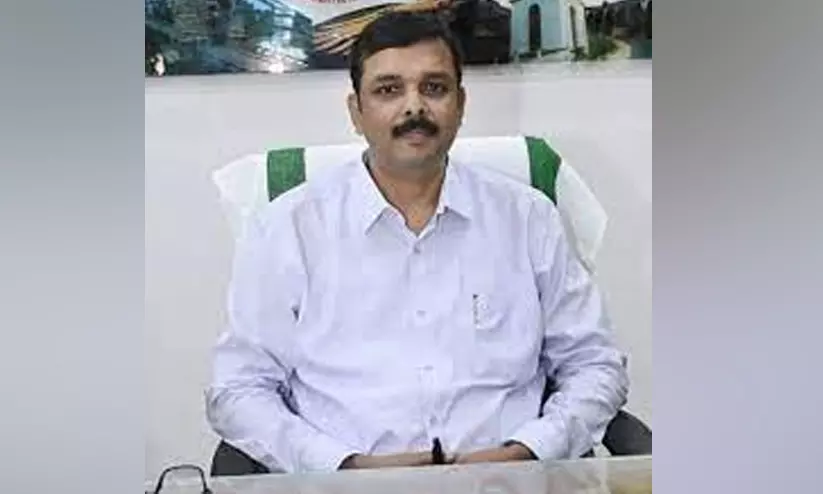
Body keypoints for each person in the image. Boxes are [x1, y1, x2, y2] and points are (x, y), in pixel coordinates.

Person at [205, 11, 628, 474]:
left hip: (509, 483)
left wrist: (528, 451)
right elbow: (238, 391)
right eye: (388, 90)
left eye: (434, 87)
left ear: (460, 104)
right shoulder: (289, 228)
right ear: (356, 112)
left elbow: (594, 365)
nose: (414, 108)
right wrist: (344, 466)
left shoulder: (527, 218)